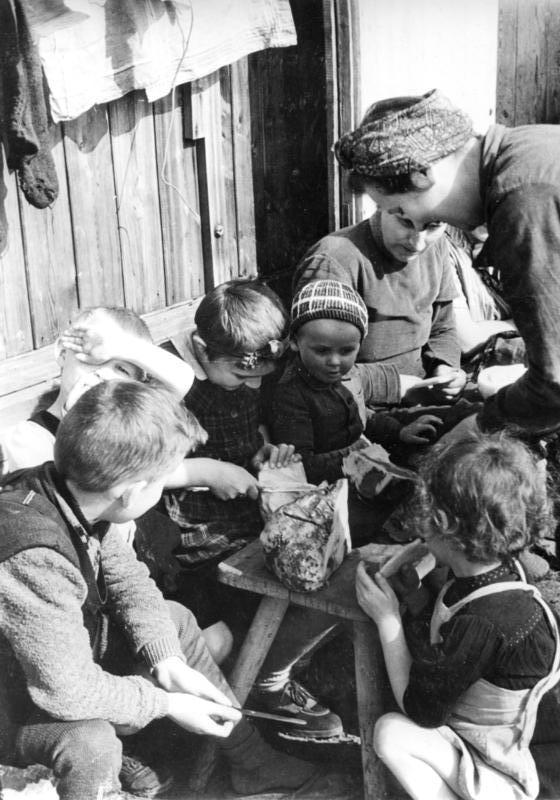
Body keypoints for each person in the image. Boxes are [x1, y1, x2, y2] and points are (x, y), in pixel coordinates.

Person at [0, 380, 319, 800]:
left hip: (41, 670)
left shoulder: (77, 492)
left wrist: (169, 663)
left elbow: (128, 580)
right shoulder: (34, 553)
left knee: (173, 620)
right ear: (131, 490)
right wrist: (165, 703)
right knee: (90, 742)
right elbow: (66, 691)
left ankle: (251, 761)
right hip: (12, 706)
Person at [162, 278, 344, 738]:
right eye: (243, 377)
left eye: (258, 379)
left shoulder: (239, 372)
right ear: (201, 349)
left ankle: (273, 674)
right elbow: (147, 471)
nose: (251, 386)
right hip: (194, 534)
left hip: (243, 517)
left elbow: (245, 437)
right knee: (246, 608)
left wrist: (260, 455)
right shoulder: (171, 386)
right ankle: (258, 689)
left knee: (318, 579)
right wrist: (209, 472)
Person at [334, 88, 560, 435]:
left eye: (398, 210)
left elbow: (554, 380)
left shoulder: (524, 201)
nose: (418, 229)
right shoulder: (527, 147)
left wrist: (477, 428)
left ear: (423, 174)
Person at [355, 432, 560, 800]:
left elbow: (421, 711)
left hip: (501, 768)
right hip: (500, 739)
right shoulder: (500, 572)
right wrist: (417, 598)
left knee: (391, 732)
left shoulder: (482, 621)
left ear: (442, 522)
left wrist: (388, 619)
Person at [270, 279, 443, 486]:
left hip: (363, 464)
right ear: (295, 343)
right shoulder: (292, 395)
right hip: (327, 487)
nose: (334, 362)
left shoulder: (351, 374)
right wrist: (358, 452)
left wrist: (400, 431)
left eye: (346, 351)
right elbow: (302, 465)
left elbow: (362, 417)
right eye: (322, 351)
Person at [293, 207, 466, 404]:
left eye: (434, 226)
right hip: (359, 407)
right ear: (382, 203)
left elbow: (442, 327)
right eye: (406, 222)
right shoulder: (334, 261)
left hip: (424, 391)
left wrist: (445, 367)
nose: (418, 243)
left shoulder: (436, 246)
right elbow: (315, 367)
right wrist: (391, 385)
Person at [0, 305, 195, 475]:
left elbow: (182, 379)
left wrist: (117, 346)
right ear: (62, 352)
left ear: (136, 385)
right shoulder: (25, 441)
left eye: (121, 368)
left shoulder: (125, 431)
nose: (103, 375)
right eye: (91, 358)